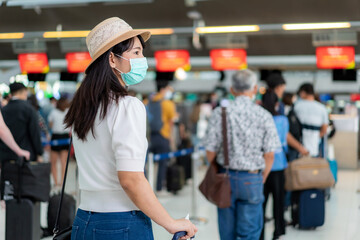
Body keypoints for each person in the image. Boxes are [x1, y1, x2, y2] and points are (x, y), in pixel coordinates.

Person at [64, 17, 197, 240]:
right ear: (112, 60)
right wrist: (171, 223)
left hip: (84, 220)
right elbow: (131, 179)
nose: (142, 59)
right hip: (120, 223)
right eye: (135, 53)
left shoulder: (82, 109)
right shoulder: (127, 106)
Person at [203, 69, 281, 240]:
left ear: (232, 89)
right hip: (252, 179)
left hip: (225, 178)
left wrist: (218, 170)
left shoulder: (220, 113)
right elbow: (269, 155)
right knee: (249, 233)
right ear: (254, 89)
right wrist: (262, 177)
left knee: (227, 233)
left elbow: (209, 150)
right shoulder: (264, 115)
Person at [260, 90, 308, 240]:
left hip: (261, 165)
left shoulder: (259, 119)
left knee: (260, 203)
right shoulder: (282, 120)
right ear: (276, 103)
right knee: (278, 201)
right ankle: (278, 230)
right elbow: (285, 139)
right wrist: (301, 148)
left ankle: (259, 233)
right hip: (278, 164)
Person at [0, 82, 43, 162]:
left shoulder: (4, 109)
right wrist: (39, 152)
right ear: (23, 91)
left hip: (5, 156)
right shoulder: (29, 109)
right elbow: (35, 132)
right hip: (26, 155)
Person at [147, 81, 177, 194]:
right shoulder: (168, 103)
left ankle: (148, 187)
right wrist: (171, 138)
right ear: (163, 90)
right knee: (162, 163)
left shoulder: (149, 101)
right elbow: (171, 122)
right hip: (163, 134)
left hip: (151, 135)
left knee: (149, 162)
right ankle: (159, 188)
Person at [294, 83, 329, 157]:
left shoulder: (296, 106)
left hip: (298, 147)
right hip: (316, 146)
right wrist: (315, 137)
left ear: (303, 93)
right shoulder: (322, 108)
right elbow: (324, 129)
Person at [48, 97, 70, 187]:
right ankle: (62, 182)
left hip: (56, 137)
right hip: (65, 136)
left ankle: (56, 182)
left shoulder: (53, 112)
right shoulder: (68, 111)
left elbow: (50, 124)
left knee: (53, 162)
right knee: (63, 161)